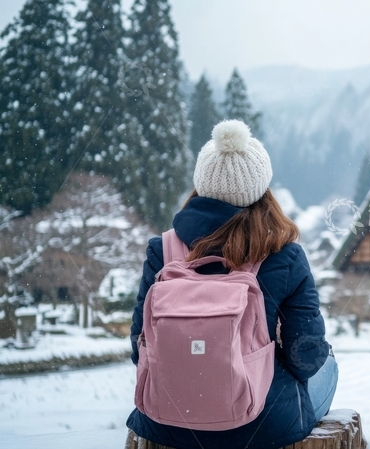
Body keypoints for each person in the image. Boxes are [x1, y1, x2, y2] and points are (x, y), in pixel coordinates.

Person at [126, 120, 337, 449]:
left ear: (201, 182)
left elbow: (140, 347)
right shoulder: (284, 255)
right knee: (329, 366)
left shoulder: (163, 250)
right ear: (262, 187)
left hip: (165, 420)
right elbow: (305, 357)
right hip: (261, 425)